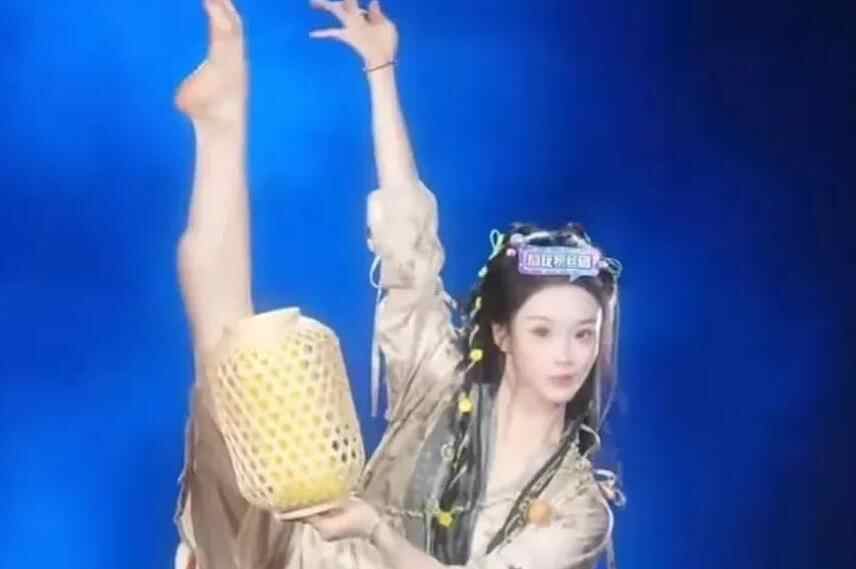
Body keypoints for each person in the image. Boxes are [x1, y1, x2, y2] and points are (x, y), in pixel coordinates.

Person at [172, 1, 625, 568]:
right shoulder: (439, 385)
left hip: (366, 552)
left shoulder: (577, 507)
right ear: (503, 334)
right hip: (322, 559)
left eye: (584, 334)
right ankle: (222, 121)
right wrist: (380, 72)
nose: (567, 355)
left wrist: (377, 532)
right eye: (543, 331)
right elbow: (409, 256)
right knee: (234, 364)